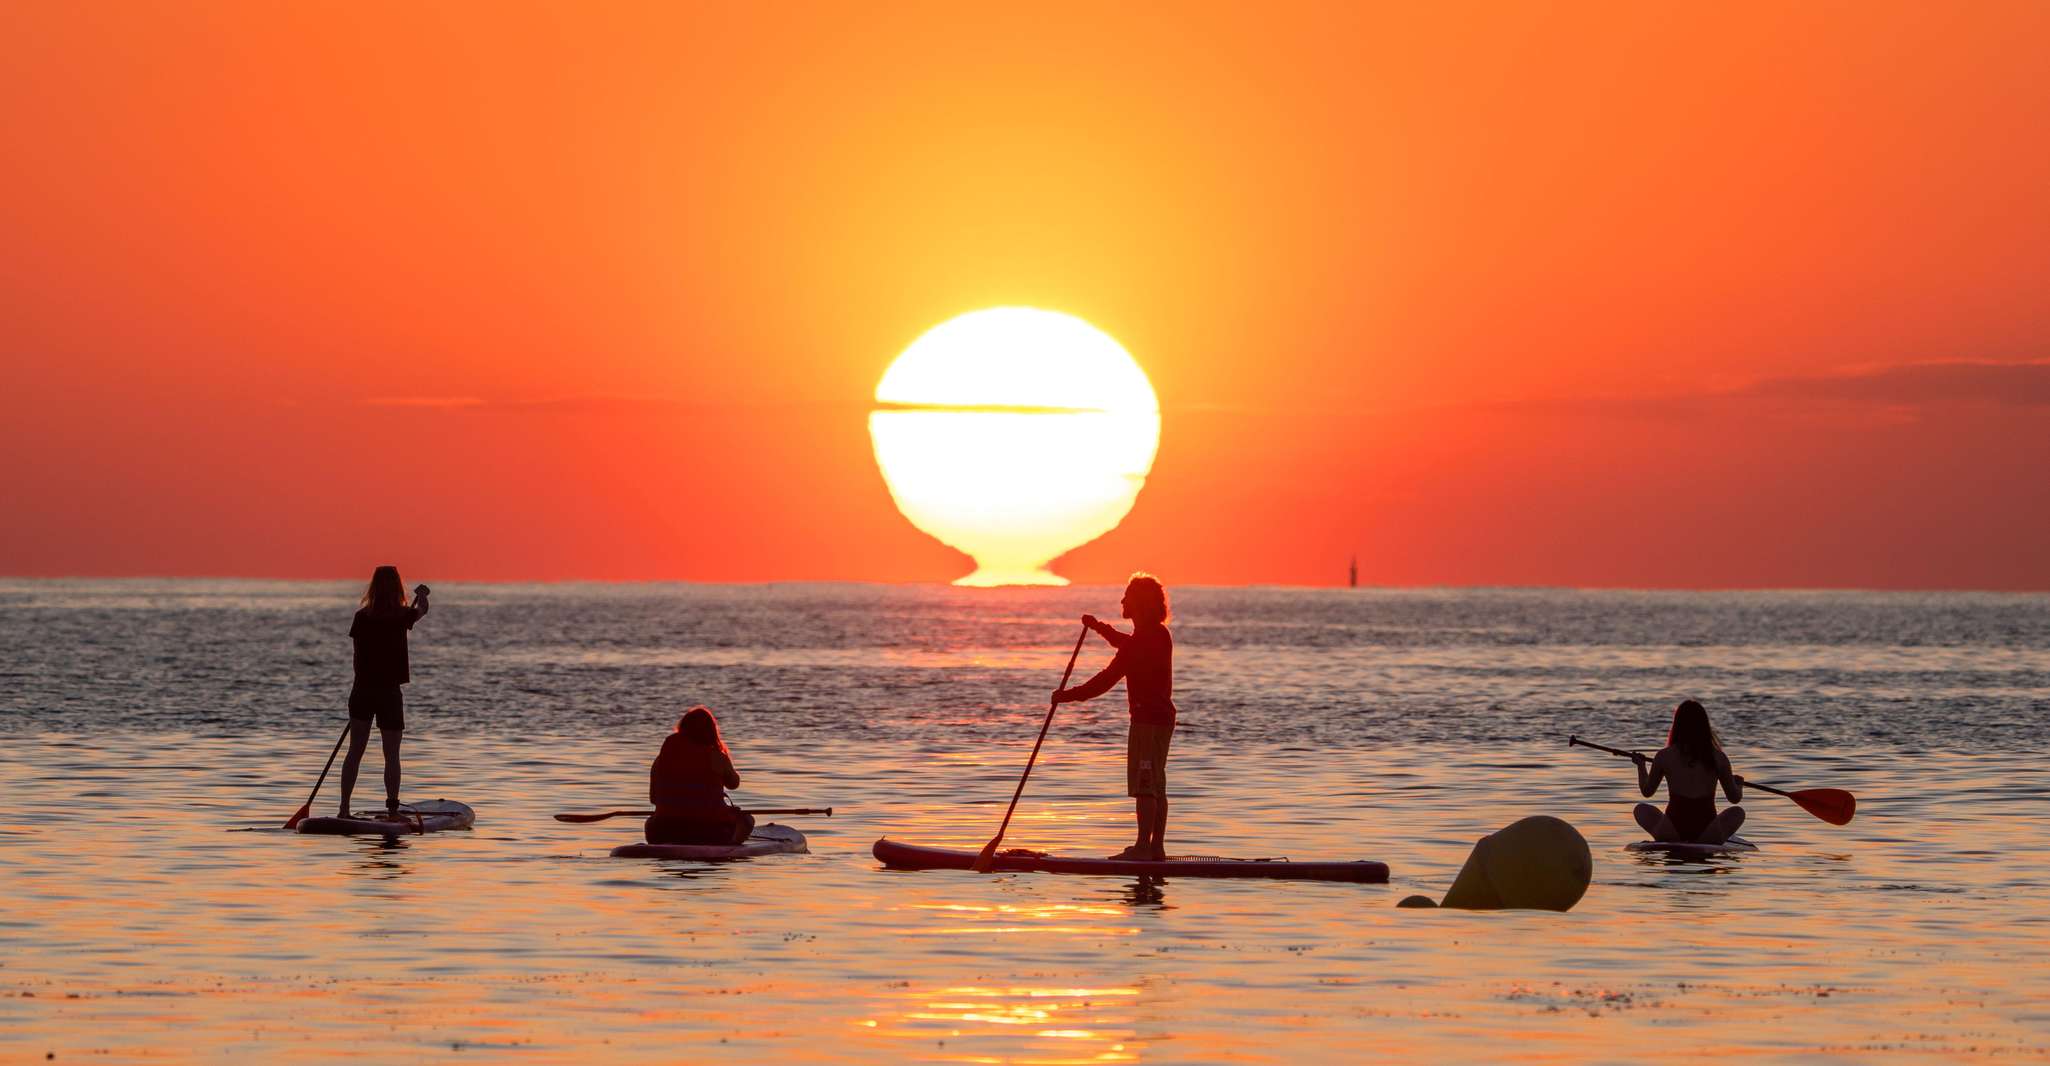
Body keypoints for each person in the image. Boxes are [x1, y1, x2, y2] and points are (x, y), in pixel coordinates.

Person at [1053, 573, 1177, 861]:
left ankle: (1144, 849)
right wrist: (1098, 627)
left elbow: (1104, 681)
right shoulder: (1153, 635)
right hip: (1159, 720)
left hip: (1148, 722)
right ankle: (1155, 847)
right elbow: (1125, 644)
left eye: (1128, 596)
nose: (1122, 600)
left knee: (1147, 784)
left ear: (1141, 603)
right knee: (1156, 783)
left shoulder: (1148, 638)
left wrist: (1066, 695)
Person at [339, 566, 429, 816]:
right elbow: (422, 610)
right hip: (388, 692)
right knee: (391, 754)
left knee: (355, 751)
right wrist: (422, 595)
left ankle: (344, 808)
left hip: (362, 690)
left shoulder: (362, 616)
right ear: (398, 587)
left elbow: (357, 657)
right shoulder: (402, 616)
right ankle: (392, 810)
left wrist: (363, 685)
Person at [1633, 699, 1746, 843]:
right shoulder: (1718, 757)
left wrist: (1641, 766)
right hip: (1707, 832)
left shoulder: (1664, 756)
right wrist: (1739, 785)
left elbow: (1647, 791)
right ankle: (1710, 838)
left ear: (1677, 725)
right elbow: (1734, 798)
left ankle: (1667, 837)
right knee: (1738, 813)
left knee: (1641, 809)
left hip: (1672, 830)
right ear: (1704, 726)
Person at [645, 706, 755, 846]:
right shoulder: (717, 757)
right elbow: (734, 784)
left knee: (649, 821)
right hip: (709, 832)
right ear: (711, 732)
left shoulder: (661, 759)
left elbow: (654, 799)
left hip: (662, 831)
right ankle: (730, 844)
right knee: (747, 820)